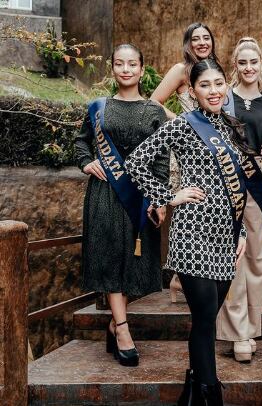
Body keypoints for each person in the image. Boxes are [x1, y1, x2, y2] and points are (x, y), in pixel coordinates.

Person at [126, 59, 253, 405]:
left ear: (226, 85)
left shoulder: (230, 126)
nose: (213, 91)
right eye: (205, 85)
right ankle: (211, 396)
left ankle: (194, 392)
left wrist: (241, 231)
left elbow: (235, 188)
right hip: (192, 234)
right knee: (205, 319)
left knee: (206, 320)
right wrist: (169, 196)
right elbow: (135, 162)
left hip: (225, 237)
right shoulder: (183, 124)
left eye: (218, 83)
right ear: (193, 91)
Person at [74, 44, 168, 367]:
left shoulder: (154, 111)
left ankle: (114, 324)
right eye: (119, 64)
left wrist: (159, 198)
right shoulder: (99, 108)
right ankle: (124, 331)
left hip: (140, 196)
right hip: (105, 194)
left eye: (132, 64)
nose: (126, 69)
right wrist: (86, 162)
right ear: (112, 68)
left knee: (133, 260)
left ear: (142, 69)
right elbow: (82, 141)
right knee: (112, 256)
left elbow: (161, 158)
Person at [216, 37, 262, 362]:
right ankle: (237, 332)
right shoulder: (223, 99)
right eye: (242, 62)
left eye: (253, 62)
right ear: (235, 64)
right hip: (227, 180)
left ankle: (251, 326)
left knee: (257, 257)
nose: (248, 68)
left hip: (259, 181)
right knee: (232, 256)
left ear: (261, 65)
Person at [150, 22, 218, 302]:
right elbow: (154, 102)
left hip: (211, 151)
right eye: (195, 38)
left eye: (206, 38)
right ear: (188, 43)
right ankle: (181, 275)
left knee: (207, 209)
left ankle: (183, 278)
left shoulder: (214, 69)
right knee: (188, 212)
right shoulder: (181, 70)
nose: (202, 43)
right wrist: (182, 121)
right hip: (187, 151)